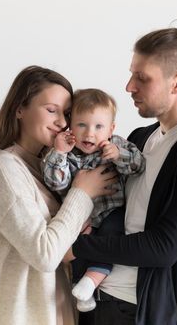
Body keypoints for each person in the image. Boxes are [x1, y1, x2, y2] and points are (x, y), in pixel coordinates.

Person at [67, 20, 177, 325]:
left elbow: (163, 248)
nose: (129, 86)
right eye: (132, 74)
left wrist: (73, 246)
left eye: (142, 78)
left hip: (152, 313)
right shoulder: (138, 140)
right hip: (99, 304)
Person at [0, 66, 117, 325]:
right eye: (51, 110)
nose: (63, 122)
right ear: (20, 109)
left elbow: (63, 252)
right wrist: (82, 193)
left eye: (67, 113)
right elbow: (45, 254)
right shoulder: (3, 168)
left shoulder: (50, 170)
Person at [42, 88, 145, 312]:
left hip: (111, 213)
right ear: (70, 126)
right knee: (78, 248)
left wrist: (118, 155)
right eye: (82, 125)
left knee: (110, 237)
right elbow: (56, 183)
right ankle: (82, 290)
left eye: (98, 127)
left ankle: (91, 282)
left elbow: (138, 165)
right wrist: (59, 153)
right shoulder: (67, 153)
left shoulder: (116, 145)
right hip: (81, 217)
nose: (89, 134)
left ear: (111, 129)